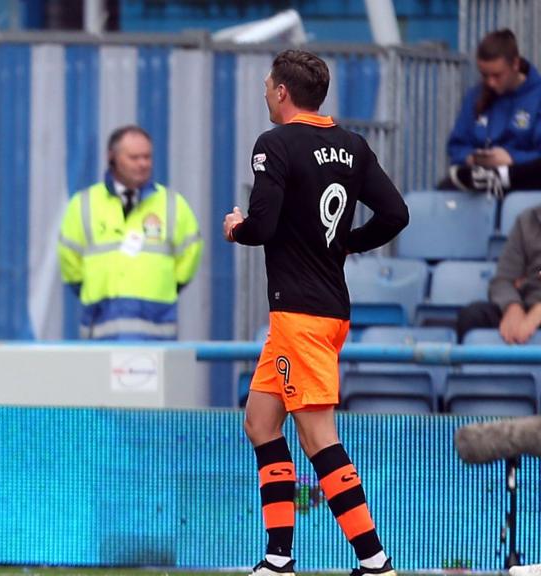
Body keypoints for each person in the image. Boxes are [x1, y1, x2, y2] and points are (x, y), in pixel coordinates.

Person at [223, 49, 409, 576]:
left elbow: (262, 225)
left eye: (266, 84)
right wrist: (347, 243)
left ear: (282, 92)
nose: (264, 91)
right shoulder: (352, 145)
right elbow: (396, 214)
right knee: (261, 423)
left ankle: (374, 561)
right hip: (325, 311)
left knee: (318, 437)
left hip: (299, 316)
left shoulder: (274, 144)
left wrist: (236, 226)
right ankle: (278, 558)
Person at [57, 125, 202, 340]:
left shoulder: (173, 204)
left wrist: (163, 287)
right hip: (100, 339)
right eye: (134, 157)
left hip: (156, 341)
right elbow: (70, 266)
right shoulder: (83, 205)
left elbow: (189, 259)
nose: (143, 164)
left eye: (147, 157)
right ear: (112, 157)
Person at [446, 29, 541, 174]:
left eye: (497, 75)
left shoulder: (536, 97)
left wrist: (511, 159)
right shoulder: (475, 95)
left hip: (524, 183)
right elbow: (456, 146)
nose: (490, 82)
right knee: (418, 197)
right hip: (478, 182)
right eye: (484, 75)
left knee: (516, 199)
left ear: (515, 64)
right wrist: (471, 157)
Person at [456, 204, 541, 343]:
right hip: (525, 305)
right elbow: (503, 280)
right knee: (473, 316)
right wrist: (512, 307)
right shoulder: (527, 220)